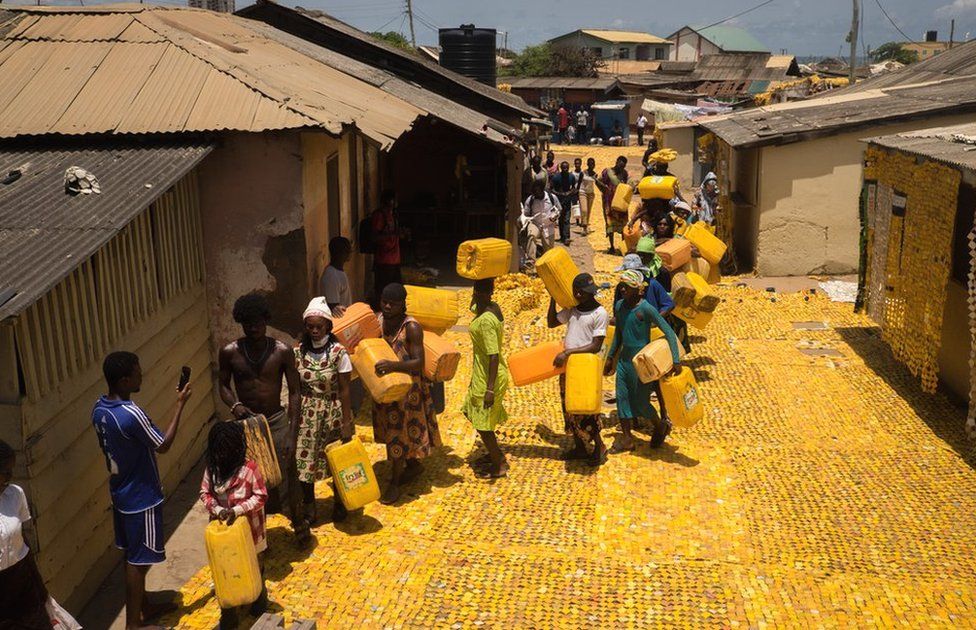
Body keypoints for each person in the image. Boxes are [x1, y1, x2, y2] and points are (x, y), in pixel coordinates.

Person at [92, 351, 192, 630]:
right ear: (124, 381)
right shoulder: (130, 414)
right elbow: (163, 444)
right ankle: (133, 625)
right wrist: (180, 404)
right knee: (140, 561)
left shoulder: (99, 409)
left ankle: (144, 605)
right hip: (141, 497)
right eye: (137, 373)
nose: (141, 376)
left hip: (121, 492)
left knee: (132, 555)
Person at [219, 293, 301, 518]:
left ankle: (298, 523)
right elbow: (223, 386)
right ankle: (258, 529)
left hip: (276, 421)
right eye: (248, 324)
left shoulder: (282, 351)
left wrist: (292, 435)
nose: (253, 328)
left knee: (288, 472)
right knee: (250, 477)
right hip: (246, 424)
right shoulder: (230, 352)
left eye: (258, 323)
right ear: (241, 323)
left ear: (266, 321)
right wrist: (234, 405)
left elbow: (295, 392)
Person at [291, 297, 355, 536]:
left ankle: (340, 502)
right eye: (310, 326)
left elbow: (346, 389)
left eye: (319, 326)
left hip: (333, 412)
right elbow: (296, 390)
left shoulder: (339, 352)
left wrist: (347, 423)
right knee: (303, 462)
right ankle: (310, 507)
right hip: (307, 415)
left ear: (328, 326)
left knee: (336, 459)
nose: (315, 330)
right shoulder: (298, 353)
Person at [372, 283, 441, 504]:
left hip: (407, 392)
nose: (388, 306)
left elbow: (418, 363)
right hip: (385, 388)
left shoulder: (411, 328)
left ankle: (395, 483)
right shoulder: (378, 321)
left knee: (399, 434)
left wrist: (393, 366)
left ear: (403, 304)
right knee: (393, 431)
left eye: (393, 303)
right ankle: (412, 465)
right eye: (385, 302)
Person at [199, 422, 269, 629]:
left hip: (251, 533)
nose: (221, 458)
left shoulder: (249, 471)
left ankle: (258, 599)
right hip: (224, 536)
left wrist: (238, 510)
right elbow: (205, 493)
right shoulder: (212, 470)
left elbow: (261, 496)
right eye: (218, 453)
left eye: (225, 453)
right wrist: (218, 510)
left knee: (255, 564)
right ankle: (228, 613)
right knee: (225, 568)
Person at [603, 270, 681, 453]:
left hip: (642, 363)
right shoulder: (620, 306)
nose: (623, 291)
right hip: (624, 362)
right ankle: (627, 438)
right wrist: (610, 357)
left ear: (638, 290)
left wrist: (676, 360)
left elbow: (669, 332)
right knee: (622, 398)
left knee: (640, 402)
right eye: (622, 287)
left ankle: (659, 424)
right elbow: (619, 335)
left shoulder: (646, 308)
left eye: (627, 288)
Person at [547, 273, 609, 467]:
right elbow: (551, 322)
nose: (592, 296)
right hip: (569, 369)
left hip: (586, 369)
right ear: (578, 294)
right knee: (570, 408)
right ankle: (580, 448)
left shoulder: (600, 313)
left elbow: (596, 345)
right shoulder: (572, 311)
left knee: (588, 410)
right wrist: (552, 298)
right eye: (587, 293)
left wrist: (567, 353)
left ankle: (599, 447)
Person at [0, 440, 52, 629]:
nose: (10, 476)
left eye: (11, 470)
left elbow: (22, 542)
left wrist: (40, 588)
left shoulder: (15, 495)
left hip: (22, 584)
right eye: (4, 472)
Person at [462, 279, 510, 479]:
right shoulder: (490, 307)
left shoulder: (487, 321)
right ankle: (495, 454)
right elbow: (473, 307)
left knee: (484, 425)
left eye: (478, 291)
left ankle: (499, 465)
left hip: (490, 376)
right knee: (470, 411)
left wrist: (489, 389)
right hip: (481, 374)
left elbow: (493, 356)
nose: (475, 295)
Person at [370, 190, 403, 306]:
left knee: (395, 287)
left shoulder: (392, 215)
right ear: (390, 201)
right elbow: (375, 237)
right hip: (384, 259)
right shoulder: (380, 216)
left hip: (394, 259)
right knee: (383, 288)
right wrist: (393, 235)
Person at [519, 180, 560, 272]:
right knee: (531, 236)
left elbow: (559, 209)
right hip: (535, 223)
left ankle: (547, 267)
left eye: (537, 191)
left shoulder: (552, 198)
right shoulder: (531, 200)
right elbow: (526, 213)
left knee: (548, 247)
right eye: (534, 192)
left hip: (548, 225)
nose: (536, 194)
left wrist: (555, 216)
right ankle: (530, 263)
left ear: (542, 190)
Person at [599, 156, 630, 254]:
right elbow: (599, 182)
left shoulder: (624, 173)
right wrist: (605, 189)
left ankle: (622, 247)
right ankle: (612, 247)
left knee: (623, 225)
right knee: (610, 224)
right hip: (609, 202)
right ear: (617, 162)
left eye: (623, 166)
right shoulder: (607, 172)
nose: (621, 168)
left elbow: (625, 185)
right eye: (620, 165)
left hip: (621, 202)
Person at [319, 236, 352, 317]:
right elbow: (334, 308)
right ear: (340, 252)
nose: (350, 253)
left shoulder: (338, 272)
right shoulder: (332, 276)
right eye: (348, 250)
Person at [550, 161, 578, 245]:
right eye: (563, 168)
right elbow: (551, 189)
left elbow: (574, 188)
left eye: (566, 168)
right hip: (558, 201)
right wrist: (560, 194)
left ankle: (567, 237)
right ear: (561, 168)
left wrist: (569, 193)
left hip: (567, 200)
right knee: (561, 219)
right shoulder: (556, 177)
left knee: (566, 219)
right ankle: (562, 236)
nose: (565, 169)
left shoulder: (571, 176)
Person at [578, 157, 598, 236]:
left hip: (591, 194)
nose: (592, 165)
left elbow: (597, 184)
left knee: (588, 211)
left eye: (593, 164)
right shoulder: (583, 173)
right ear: (587, 164)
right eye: (590, 164)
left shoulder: (595, 174)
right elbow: (579, 183)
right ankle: (584, 226)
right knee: (584, 210)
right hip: (582, 192)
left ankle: (585, 227)